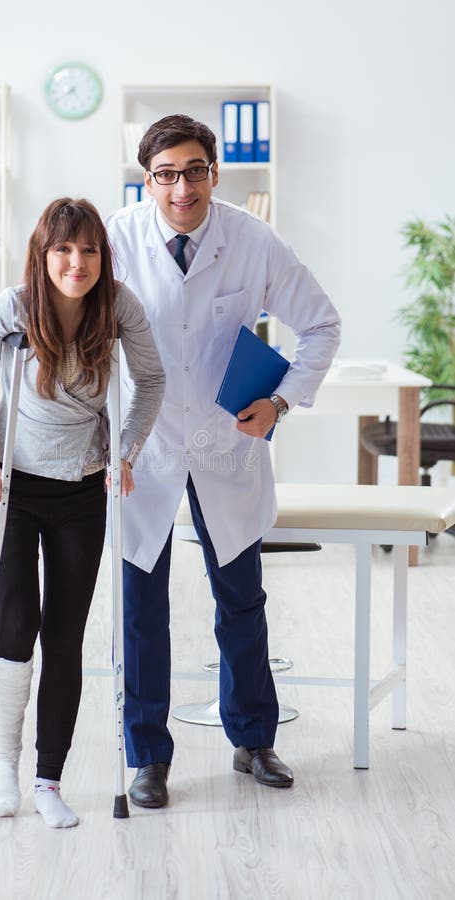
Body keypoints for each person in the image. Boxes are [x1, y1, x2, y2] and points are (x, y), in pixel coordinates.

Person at [105, 115, 341, 808]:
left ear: (215, 170)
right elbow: (65, 321)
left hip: (222, 441)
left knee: (240, 599)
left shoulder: (251, 239)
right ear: (146, 179)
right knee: (140, 608)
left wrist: (282, 402)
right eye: (166, 174)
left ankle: (253, 740)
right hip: (142, 445)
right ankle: (147, 756)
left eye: (195, 170)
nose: (182, 187)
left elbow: (321, 324)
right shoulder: (117, 239)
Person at [0, 197, 165, 827]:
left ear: (102, 256)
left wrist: (127, 449)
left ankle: (48, 779)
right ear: (43, 254)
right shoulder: (12, 306)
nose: (76, 262)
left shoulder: (118, 308)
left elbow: (152, 380)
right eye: (63, 249)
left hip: (83, 488)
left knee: (65, 637)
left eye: (89, 250)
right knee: (16, 625)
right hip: (11, 488)